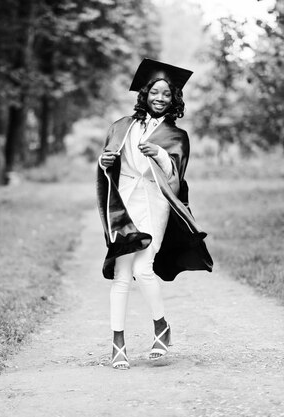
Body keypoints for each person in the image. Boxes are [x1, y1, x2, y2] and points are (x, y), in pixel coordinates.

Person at [96, 58, 213, 370]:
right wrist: (105, 162)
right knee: (122, 273)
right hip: (123, 203)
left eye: (167, 94)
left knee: (144, 268)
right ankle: (117, 343)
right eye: (155, 93)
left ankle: (161, 326)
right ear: (144, 95)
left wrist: (160, 154)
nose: (160, 98)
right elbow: (109, 163)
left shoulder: (177, 136)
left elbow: (176, 176)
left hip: (154, 202)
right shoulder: (121, 126)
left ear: (174, 99)